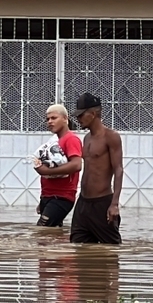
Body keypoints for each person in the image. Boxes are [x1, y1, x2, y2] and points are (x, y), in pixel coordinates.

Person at [70, 92, 124, 245]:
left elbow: (118, 170)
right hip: (83, 203)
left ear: (93, 114)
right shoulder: (86, 138)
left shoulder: (111, 137)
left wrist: (114, 204)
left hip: (102, 204)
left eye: (81, 115)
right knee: (78, 248)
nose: (78, 119)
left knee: (111, 249)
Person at [32, 103, 84, 228]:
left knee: (41, 232)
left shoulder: (71, 139)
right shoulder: (53, 141)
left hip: (61, 198)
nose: (49, 122)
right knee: (51, 237)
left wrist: (46, 172)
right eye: (47, 119)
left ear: (65, 119)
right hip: (47, 196)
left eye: (54, 118)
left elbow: (77, 165)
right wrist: (42, 201)